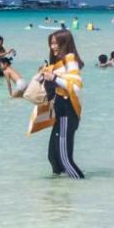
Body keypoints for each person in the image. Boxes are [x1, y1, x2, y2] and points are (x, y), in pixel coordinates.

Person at [30, 30, 86, 179]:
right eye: (51, 43)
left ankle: (82, 186)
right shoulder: (57, 63)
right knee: (53, 158)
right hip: (60, 113)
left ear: (65, 43)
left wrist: (53, 77)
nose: (53, 46)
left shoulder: (70, 60)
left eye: (56, 43)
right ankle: (59, 193)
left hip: (67, 113)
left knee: (64, 159)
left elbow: (76, 87)